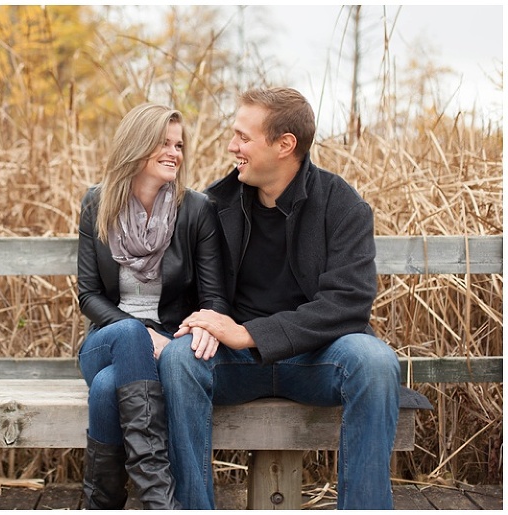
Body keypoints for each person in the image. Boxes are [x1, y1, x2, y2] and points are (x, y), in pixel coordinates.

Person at [160, 87, 402, 510]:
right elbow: (189, 291)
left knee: (376, 361)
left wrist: (249, 333)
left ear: (284, 145)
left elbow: (348, 302)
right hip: (235, 364)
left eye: (243, 137)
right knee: (180, 361)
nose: (231, 146)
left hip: (318, 358)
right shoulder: (213, 205)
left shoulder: (342, 205)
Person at [76, 103, 228, 509]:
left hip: (170, 345)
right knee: (128, 333)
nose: (174, 153)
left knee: (108, 388)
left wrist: (199, 329)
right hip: (108, 341)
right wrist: (144, 335)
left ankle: (102, 504)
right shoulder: (97, 203)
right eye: (164, 143)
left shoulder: (196, 209)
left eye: (178, 145)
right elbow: (88, 295)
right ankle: (159, 501)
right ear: (136, 144)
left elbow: (213, 298)